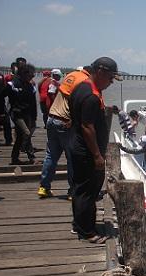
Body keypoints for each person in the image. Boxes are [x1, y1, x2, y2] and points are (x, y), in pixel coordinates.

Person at [69, 57, 120, 243]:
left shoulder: (82, 87)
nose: (111, 82)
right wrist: (97, 155)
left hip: (77, 146)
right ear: (100, 72)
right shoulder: (91, 95)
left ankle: (79, 224)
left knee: (80, 189)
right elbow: (87, 127)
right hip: (87, 151)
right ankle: (87, 232)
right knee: (88, 192)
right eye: (110, 77)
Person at [39, 66, 91, 199]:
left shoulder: (69, 79)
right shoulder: (82, 85)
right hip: (64, 122)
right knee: (72, 158)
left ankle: (44, 187)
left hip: (51, 119)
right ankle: (72, 191)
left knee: (51, 155)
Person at [8, 63, 37, 165]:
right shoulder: (13, 84)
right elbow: (1, 95)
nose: (32, 77)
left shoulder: (30, 86)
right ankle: (32, 157)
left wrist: (34, 117)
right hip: (16, 114)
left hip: (26, 114)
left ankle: (14, 158)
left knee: (20, 137)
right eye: (30, 75)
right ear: (24, 73)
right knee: (26, 133)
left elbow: (33, 103)